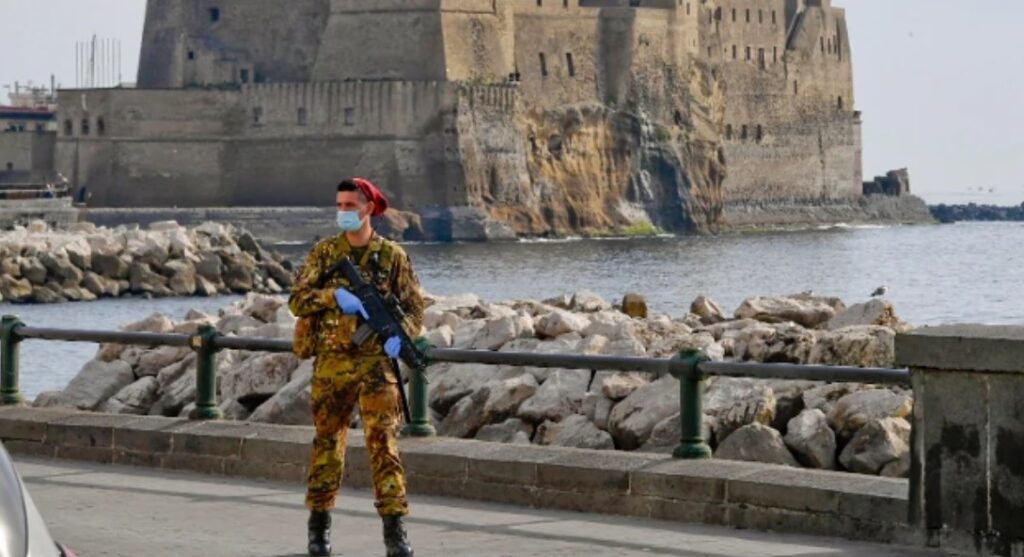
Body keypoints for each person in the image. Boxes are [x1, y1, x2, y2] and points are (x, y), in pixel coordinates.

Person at [289, 178, 423, 557]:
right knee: (328, 445)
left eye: (350, 205)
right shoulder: (324, 253)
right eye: (340, 205)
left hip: (376, 366)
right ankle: (319, 529)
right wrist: (334, 295)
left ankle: (395, 533)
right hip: (332, 366)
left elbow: (414, 308)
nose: (343, 211)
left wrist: (403, 336)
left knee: (384, 445)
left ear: (368, 209)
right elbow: (296, 299)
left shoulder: (392, 257)